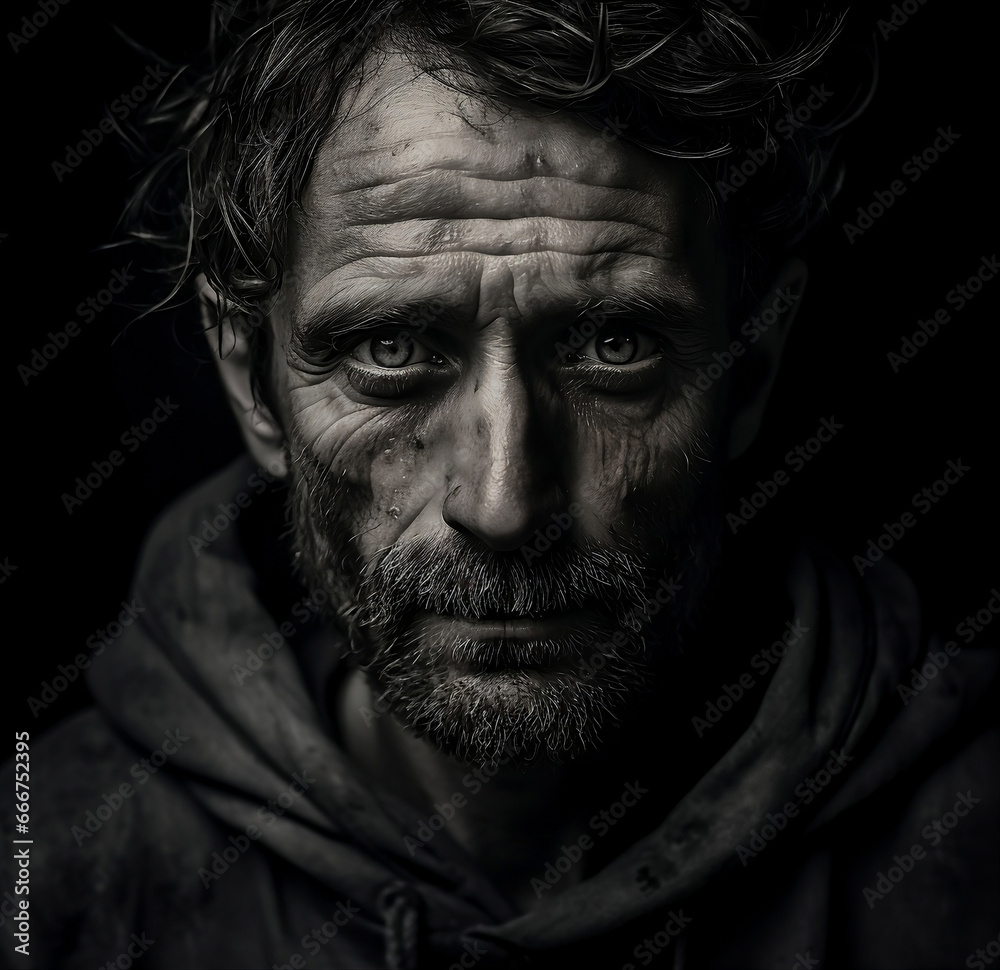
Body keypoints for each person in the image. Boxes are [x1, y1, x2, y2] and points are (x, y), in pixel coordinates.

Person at [3, 2, 997, 968]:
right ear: (252, 383)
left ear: (754, 368)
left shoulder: (973, 839)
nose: (502, 501)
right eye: (391, 348)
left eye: (614, 347)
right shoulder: (47, 860)